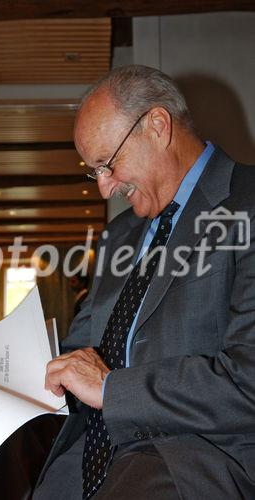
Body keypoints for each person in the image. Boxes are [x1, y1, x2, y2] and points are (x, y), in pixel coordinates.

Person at [33, 65, 255, 499]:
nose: (103, 189)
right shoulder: (120, 236)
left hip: (203, 461)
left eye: (108, 164)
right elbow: (80, 351)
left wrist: (112, 390)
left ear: (157, 125)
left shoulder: (247, 205)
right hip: (90, 459)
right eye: (93, 171)